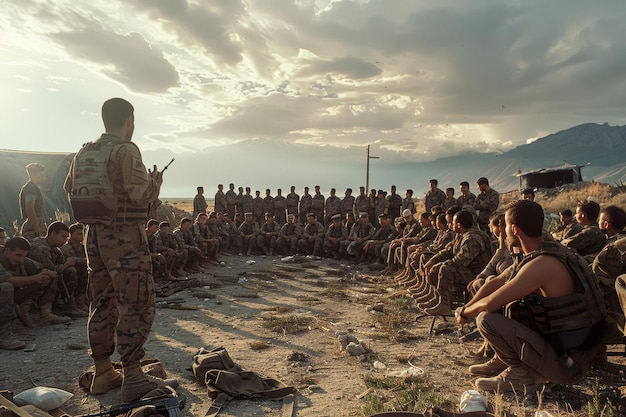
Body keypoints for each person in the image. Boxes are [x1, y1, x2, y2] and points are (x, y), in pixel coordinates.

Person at [64, 98, 177, 402]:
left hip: (93, 235)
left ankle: (103, 372)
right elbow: (142, 195)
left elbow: (68, 188)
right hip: (124, 236)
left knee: (102, 302)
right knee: (136, 302)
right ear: (129, 119)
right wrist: (156, 183)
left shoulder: (84, 151)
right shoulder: (126, 149)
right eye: (133, 120)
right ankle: (134, 377)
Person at [456, 200, 606, 393]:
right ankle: (506, 360)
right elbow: (497, 281)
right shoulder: (547, 252)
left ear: (515, 230)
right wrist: (466, 306)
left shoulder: (541, 265)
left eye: (506, 227)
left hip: (570, 365)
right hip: (570, 350)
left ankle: (521, 376)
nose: (504, 232)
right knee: (504, 297)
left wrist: (466, 313)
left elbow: (491, 303)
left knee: (487, 319)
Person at [1, 237, 70, 343]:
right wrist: (35, 278)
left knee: (50, 276)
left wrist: (45, 274)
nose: (21, 260)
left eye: (23, 256)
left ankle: (42, 313)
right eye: (18, 255)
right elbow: (8, 280)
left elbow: (39, 268)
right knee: (6, 286)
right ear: (7, 250)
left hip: (10, 295)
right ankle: (3, 335)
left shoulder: (21, 259)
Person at [28, 221, 87, 318]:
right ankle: (46, 313)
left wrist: (72, 262)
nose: (65, 240)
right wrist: (67, 264)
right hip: (34, 279)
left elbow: (63, 261)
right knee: (59, 274)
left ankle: (74, 305)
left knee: (73, 269)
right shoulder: (41, 248)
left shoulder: (54, 248)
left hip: (45, 277)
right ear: (53, 234)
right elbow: (49, 270)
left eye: (67, 237)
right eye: (63, 236)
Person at [19, 162, 48, 240]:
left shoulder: (34, 188)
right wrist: (36, 227)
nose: (43, 178)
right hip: (34, 226)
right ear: (33, 175)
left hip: (38, 223)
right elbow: (29, 208)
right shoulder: (30, 188)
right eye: (41, 175)